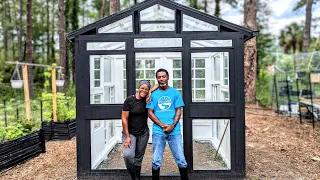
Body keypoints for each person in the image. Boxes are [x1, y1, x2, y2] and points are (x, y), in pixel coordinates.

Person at [146, 68, 188, 180]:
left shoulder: (175, 92)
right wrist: (162, 125)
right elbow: (150, 113)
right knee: (156, 160)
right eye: (159, 77)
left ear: (168, 77)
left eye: (163, 76)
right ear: (157, 79)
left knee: (181, 159)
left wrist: (172, 126)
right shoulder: (153, 95)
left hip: (175, 131)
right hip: (158, 131)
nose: (161, 79)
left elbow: (179, 111)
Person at [122, 80, 158, 180]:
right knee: (128, 155)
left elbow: (158, 84)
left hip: (143, 133)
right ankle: (133, 176)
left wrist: (150, 93)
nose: (144, 90)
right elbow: (124, 118)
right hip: (130, 133)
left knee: (138, 158)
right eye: (142, 88)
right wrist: (127, 137)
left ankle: (137, 177)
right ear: (139, 88)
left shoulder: (148, 100)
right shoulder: (130, 100)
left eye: (146, 89)